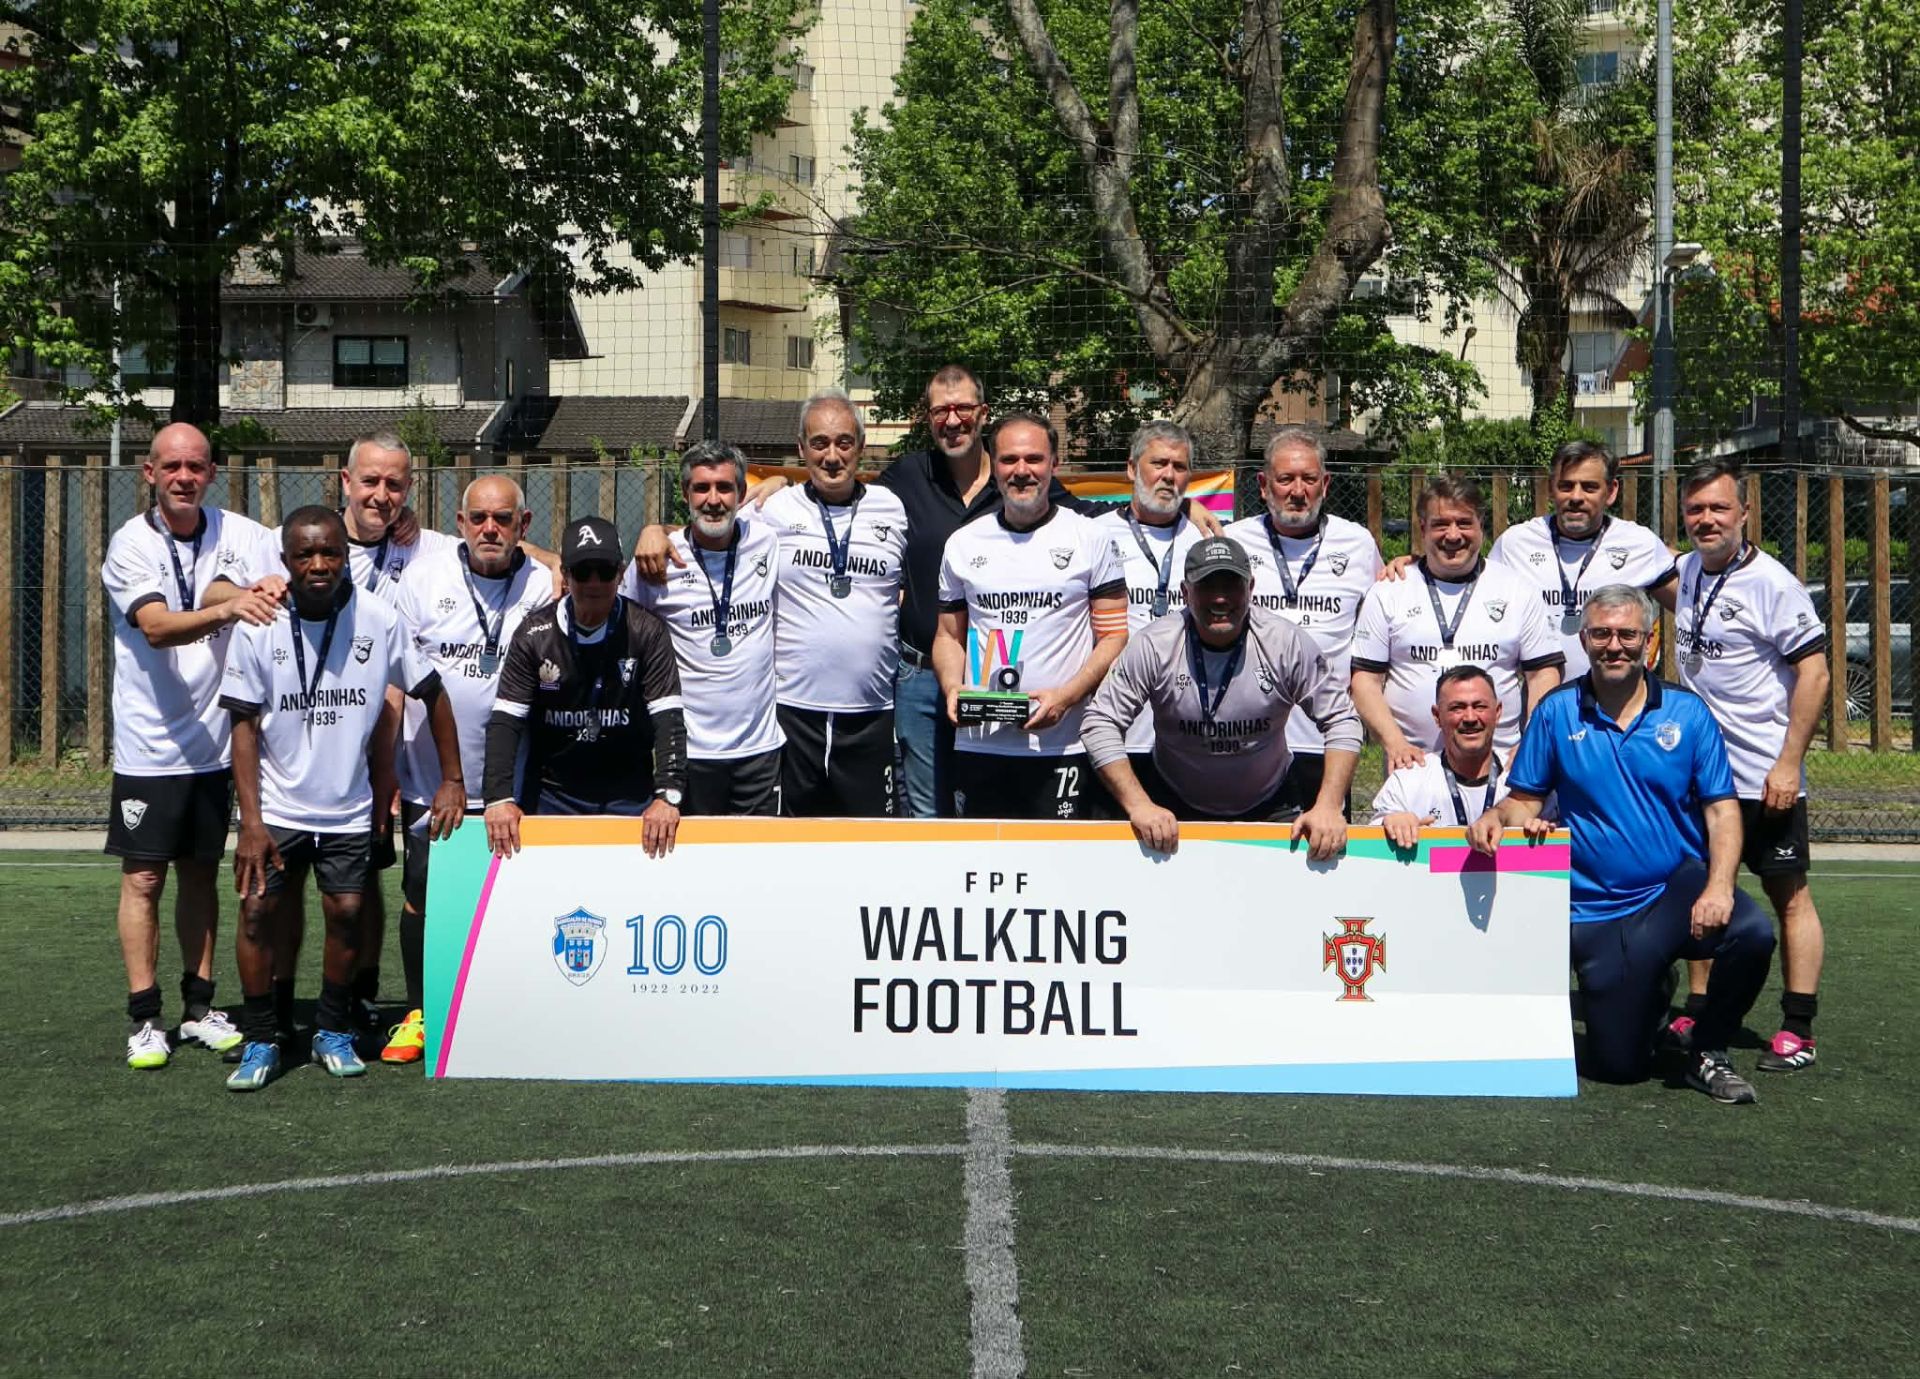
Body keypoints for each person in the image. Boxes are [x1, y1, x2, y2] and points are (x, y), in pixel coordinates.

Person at [1468, 584, 1776, 1104]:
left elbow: (1722, 810)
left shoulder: (1688, 713)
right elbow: (1525, 799)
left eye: (1628, 635)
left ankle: (1708, 1049)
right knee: (1619, 1067)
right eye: (1602, 634)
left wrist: (1720, 886)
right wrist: (1496, 816)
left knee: (1752, 932)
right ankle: (1652, 993)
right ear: (1584, 640)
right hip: (1594, 909)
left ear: (1649, 640)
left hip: (1674, 888)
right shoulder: (1556, 712)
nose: (1615, 646)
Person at [219, 508, 466, 1091]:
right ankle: (261, 1037)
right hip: (277, 809)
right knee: (256, 913)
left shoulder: (379, 619)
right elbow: (243, 727)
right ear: (285, 561)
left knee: (349, 913)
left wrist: (452, 779)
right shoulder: (260, 623)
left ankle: (331, 1029)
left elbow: (433, 693)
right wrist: (250, 822)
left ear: (345, 556)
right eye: (305, 554)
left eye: (330, 552)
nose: (319, 564)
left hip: (348, 806)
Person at [100, 423, 284, 1069]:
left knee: (201, 875)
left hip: (215, 745)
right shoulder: (130, 543)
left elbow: (293, 559)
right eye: (172, 466)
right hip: (149, 746)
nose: (185, 477)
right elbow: (155, 627)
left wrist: (264, 588)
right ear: (149, 473)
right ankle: (145, 1018)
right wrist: (232, 608)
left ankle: (199, 1008)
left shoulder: (241, 532)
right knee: (145, 878)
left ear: (212, 473)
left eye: (196, 466)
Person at [379, 474, 554, 1063]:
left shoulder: (543, 584)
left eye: (503, 519)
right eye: (478, 518)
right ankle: (419, 1013)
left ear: (523, 526)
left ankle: (509, 1011)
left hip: (516, 783)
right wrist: (387, 776)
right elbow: (398, 685)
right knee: (424, 894)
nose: (490, 529)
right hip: (433, 779)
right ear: (460, 523)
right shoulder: (421, 582)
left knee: (514, 900)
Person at [1672, 459, 1830, 1071]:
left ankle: (1798, 1028)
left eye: (1718, 507)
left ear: (1744, 512)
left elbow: (1814, 674)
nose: (1706, 519)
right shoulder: (1686, 569)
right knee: (1704, 889)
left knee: (1788, 895)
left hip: (1764, 775)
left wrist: (1789, 763)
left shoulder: (1773, 584)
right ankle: (1700, 1007)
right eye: (1695, 509)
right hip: (1702, 777)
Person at [1081, 537, 1358, 858]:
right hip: (1171, 803)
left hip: (1271, 801)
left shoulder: (1286, 643)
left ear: (1250, 588)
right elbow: (1099, 722)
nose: (1220, 597)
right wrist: (1139, 805)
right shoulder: (1155, 645)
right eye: (1207, 586)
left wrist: (1328, 806)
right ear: (1185, 592)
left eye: (1231, 585)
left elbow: (1342, 720)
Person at [933, 412, 1130, 819]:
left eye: (1034, 459)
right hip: (980, 743)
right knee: (983, 854)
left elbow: (1114, 636)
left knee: (1059, 856)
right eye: (1009, 460)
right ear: (993, 466)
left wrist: (1067, 697)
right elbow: (948, 636)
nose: (1021, 471)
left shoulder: (1090, 537)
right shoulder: (963, 543)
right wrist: (952, 687)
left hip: (1063, 743)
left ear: (1054, 464)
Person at [485, 517, 687, 859]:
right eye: (582, 571)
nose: (594, 582)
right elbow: (506, 721)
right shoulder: (533, 635)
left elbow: (668, 718)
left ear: (620, 573)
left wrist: (668, 795)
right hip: (554, 796)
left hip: (629, 797)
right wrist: (498, 798)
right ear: (565, 574)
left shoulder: (647, 631)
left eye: (605, 571)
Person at [759, 391, 910, 816]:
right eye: (819, 443)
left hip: (871, 713)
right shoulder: (774, 509)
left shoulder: (892, 508)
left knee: (869, 842)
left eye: (844, 442)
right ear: (801, 448)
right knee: (792, 841)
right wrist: (656, 532)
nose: (831, 456)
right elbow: (708, 530)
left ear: (861, 446)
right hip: (793, 712)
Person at [1222, 426, 1384, 814]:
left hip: (1327, 740)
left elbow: (1386, 609)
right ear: (1264, 485)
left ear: (1325, 484)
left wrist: (1408, 565)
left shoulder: (1358, 543)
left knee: (1323, 844)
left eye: (1309, 479)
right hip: (1248, 741)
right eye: (1286, 479)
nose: (1298, 491)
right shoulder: (1233, 541)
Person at [1351, 474, 1563, 765]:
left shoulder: (1517, 589)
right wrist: (1395, 743)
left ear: (1480, 526)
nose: (1453, 535)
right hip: (1413, 764)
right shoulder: (1389, 590)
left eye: (1464, 523)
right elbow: (1365, 681)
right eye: (1441, 524)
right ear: (1423, 528)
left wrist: (1531, 743)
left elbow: (1543, 674)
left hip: (1503, 765)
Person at [620, 445, 785, 815]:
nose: (713, 500)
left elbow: (804, 488)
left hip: (760, 750)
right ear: (685, 494)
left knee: (760, 850)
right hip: (689, 751)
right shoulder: (658, 560)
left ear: (741, 493)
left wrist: (780, 479)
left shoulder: (767, 539)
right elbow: (623, 631)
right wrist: (651, 529)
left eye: (724, 487)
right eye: (701, 488)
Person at [1087, 421, 1210, 809]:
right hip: (1115, 732)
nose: (1169, 475)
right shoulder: (1093, 534)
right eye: (1158, 463)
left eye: (1179, 466)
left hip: (1187, 739)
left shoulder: (1207, 538)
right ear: (1131, 468)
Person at [1487, 439, 1678, 676]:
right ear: (1550, 488)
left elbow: (1690, 602)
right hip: (1541, 694)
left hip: (1617, 695)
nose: (1576, 496)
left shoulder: (1639, 543)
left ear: (1611, 491)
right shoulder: (1514, 545)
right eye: (1566, 486)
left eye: (1589, 487)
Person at [1370, 666, 1528, 850]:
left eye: (1480, 706)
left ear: (1498, 712)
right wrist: (1392, 823)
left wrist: (1540, 831)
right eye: (1457, 708)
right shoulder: (1407, 781)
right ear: (1437, 716)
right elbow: (1370, 848)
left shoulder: (1523, 779)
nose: (1470, 718)